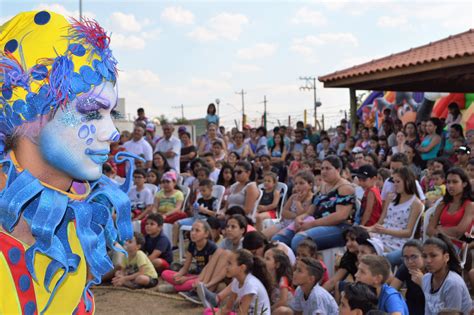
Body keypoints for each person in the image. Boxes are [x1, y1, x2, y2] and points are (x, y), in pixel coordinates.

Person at [0, 11, 137, 313]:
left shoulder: (79, 226)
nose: (112, 132)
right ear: (31, 116)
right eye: (91, 112)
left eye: (110, 113)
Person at [276, 156, 356, 252]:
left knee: (299, 241)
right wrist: (300, 218)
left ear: (338, 170)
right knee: (278, 239)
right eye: (322, 168)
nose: (323, 171)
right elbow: (311, 210)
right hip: (315, 223)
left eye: (328, 168)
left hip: (339, 227)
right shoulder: (322, 186)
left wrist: (312, 224)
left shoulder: (344, 188)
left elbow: (341, 216)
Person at [365, 167, 424, 266]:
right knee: (358, 238)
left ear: (408, 182)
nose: (395, 184)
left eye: (398, 181)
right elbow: (381, 221)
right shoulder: (391, 197)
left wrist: (384, 231)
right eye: (394, 181)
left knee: (367, 248)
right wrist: (368, 229)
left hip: (397, 242)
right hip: (382, 236)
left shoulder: (416, 203)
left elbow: (408, 233)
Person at [160, 220, 217, 293]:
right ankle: (182, 287)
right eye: (192, 230)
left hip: (206, 277)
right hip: (195, 275)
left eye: (197, 230)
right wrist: (179, 275)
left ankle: (176, 288)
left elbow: (210, 272)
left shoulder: (211, 247)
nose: (193, 233)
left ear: (206, 234)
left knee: (194, 283)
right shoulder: (192, 244)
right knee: (165, 273)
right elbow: (185, 268)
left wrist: (186, 279)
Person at [421, 235, 472, 315]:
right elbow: (427, 312)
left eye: (433, 255)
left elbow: (453, 313)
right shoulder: (426, 279)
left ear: (446, 257)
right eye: (424, 256)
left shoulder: (453, 283)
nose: (428, 260)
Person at [213, 249, 272, 315]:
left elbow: (242, 313)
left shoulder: (250, 284)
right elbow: (227, 308)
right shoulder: (236, 282)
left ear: (242, 267)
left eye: (230, 264)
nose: (226, 267)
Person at [427, 167, 474, 247]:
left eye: (455, 182)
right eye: (448, 182)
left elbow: (459, 231)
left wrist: (439, 229)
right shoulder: (442, 204)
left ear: (464, 184)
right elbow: (429, 230)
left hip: (456, 247)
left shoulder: (470, 205)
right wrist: (447, 233)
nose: (450, 185)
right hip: (437, 244)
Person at [274, 258, 338, 315]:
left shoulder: (317, 296)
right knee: (282, 311)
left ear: (311, 279)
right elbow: (297, 312)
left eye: (299, 271)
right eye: (296, 269)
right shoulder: (299, 290)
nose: (294, 273)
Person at [266, 171, 315, 239]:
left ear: (310, 185)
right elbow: (283, 212)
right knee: (263, 235)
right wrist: (295, 215)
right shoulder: (293, 197)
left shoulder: (311, 199)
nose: (298, 186)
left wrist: (298, 202)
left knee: (275, 239)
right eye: (296, 183)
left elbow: (303, 215)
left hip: (295, 227)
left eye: (301, 183)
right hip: (284, 223)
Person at [323, 226, 370, 294]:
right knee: (339, 285)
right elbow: (333, 281)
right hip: (357, 290)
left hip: (369, 292)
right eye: (347, 240)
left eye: (352, 239)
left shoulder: (371, 256)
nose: (348, 244)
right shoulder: (349, 257)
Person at [390, 240, 425, 315]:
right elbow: (391, 291)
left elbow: (436, 300)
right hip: (409, 308)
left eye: (414, 257)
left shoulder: (432, 270)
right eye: (406, 257)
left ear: (423, 256)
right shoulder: (405, 268)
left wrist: (423, 283)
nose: (410, 261)